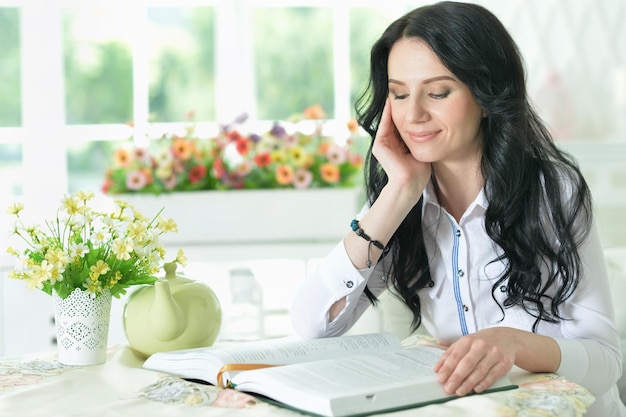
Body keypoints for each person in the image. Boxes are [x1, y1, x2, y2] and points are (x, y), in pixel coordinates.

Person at [290, 2, 625, 416]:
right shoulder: (402, 197)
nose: (412, 114)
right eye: (398, 93)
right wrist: (397, 195)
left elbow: (606, 364)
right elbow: (313, 327)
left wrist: (515, 344)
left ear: (486, 96)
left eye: (437, 92)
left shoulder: (554, 191)